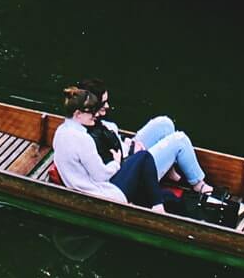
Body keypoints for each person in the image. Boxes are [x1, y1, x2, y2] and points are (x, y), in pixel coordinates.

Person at [69, 78, 216, 196]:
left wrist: (129, 145)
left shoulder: (94, 122)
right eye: (103, 103)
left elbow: (113, 144)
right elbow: (107, 167)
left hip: (126, 155)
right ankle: (198, 184)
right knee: (180, 140)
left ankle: (167, 171)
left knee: (164, 124)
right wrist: (134, 154)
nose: (107, 106)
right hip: (128, 175)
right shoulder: (87, 137)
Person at [52, 84, 166, 211]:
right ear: (77, 114)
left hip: (82, 187)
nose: (95, 115)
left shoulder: (60, 132)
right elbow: (101, 176)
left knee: (166, 196)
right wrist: (116, 163)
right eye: (91, 112)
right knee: (144, 157)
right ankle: (158, 208)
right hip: (104, 195)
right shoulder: (83, 139)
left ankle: (159, 202)